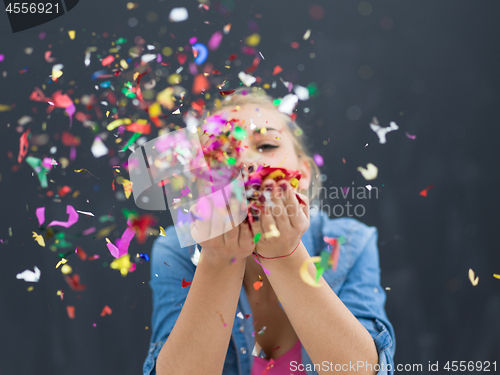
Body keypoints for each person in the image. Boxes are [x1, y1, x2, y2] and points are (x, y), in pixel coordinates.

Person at [143, 87, 396, 375]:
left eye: (266, 146)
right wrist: (218, 260)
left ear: (305, 174)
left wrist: (286, 255)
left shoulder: (349, 242)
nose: (245, 163)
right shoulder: (176, 250)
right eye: (222, 154)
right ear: (200, 188)